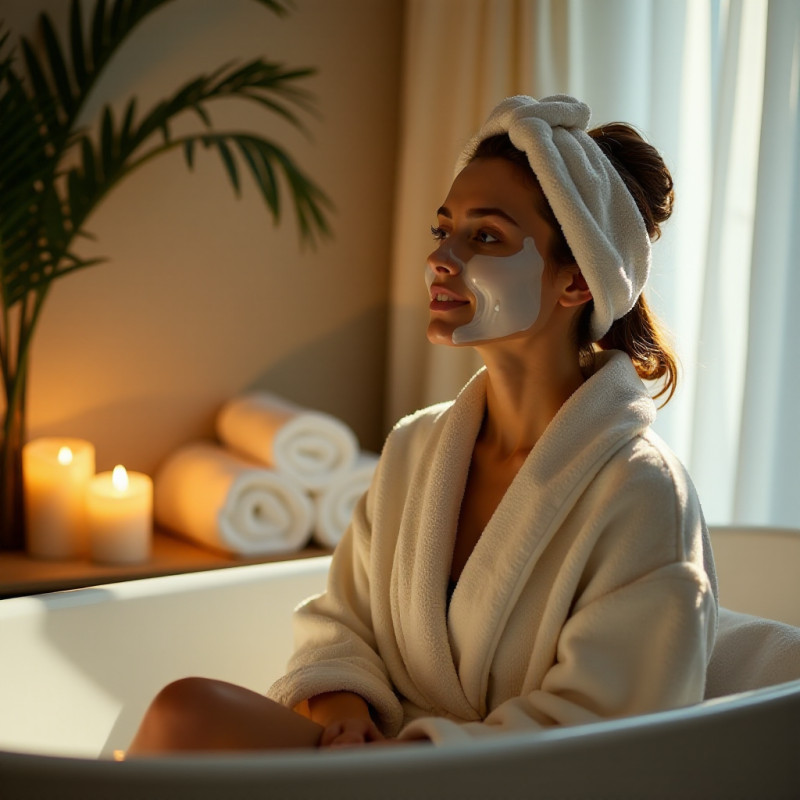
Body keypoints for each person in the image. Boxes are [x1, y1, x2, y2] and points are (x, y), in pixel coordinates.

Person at [128, 94, 718, 754]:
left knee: (190, 717)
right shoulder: (418, 447)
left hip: (490, 784)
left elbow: (611, 731)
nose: (443, 257)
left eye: (486, 236)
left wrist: (416, 761)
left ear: (575, 281)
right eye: (444, 230)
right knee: (187, 711)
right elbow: (342, 626)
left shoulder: (641, 495)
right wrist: (343, 710)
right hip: (374, 762)